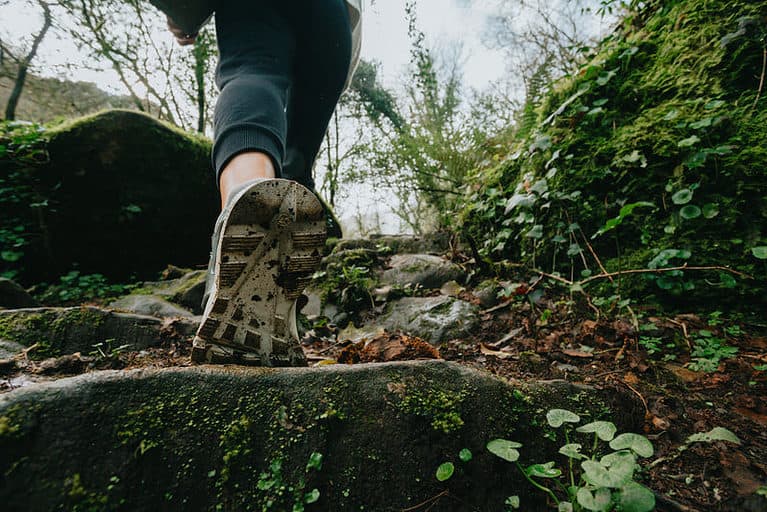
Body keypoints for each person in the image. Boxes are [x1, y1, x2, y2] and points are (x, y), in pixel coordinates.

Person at [164, 0, 362, 365]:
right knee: (297, 160)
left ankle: (245, 202)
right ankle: (277, 310)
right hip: (332, 16)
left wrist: (182, 11)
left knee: (252, 74)